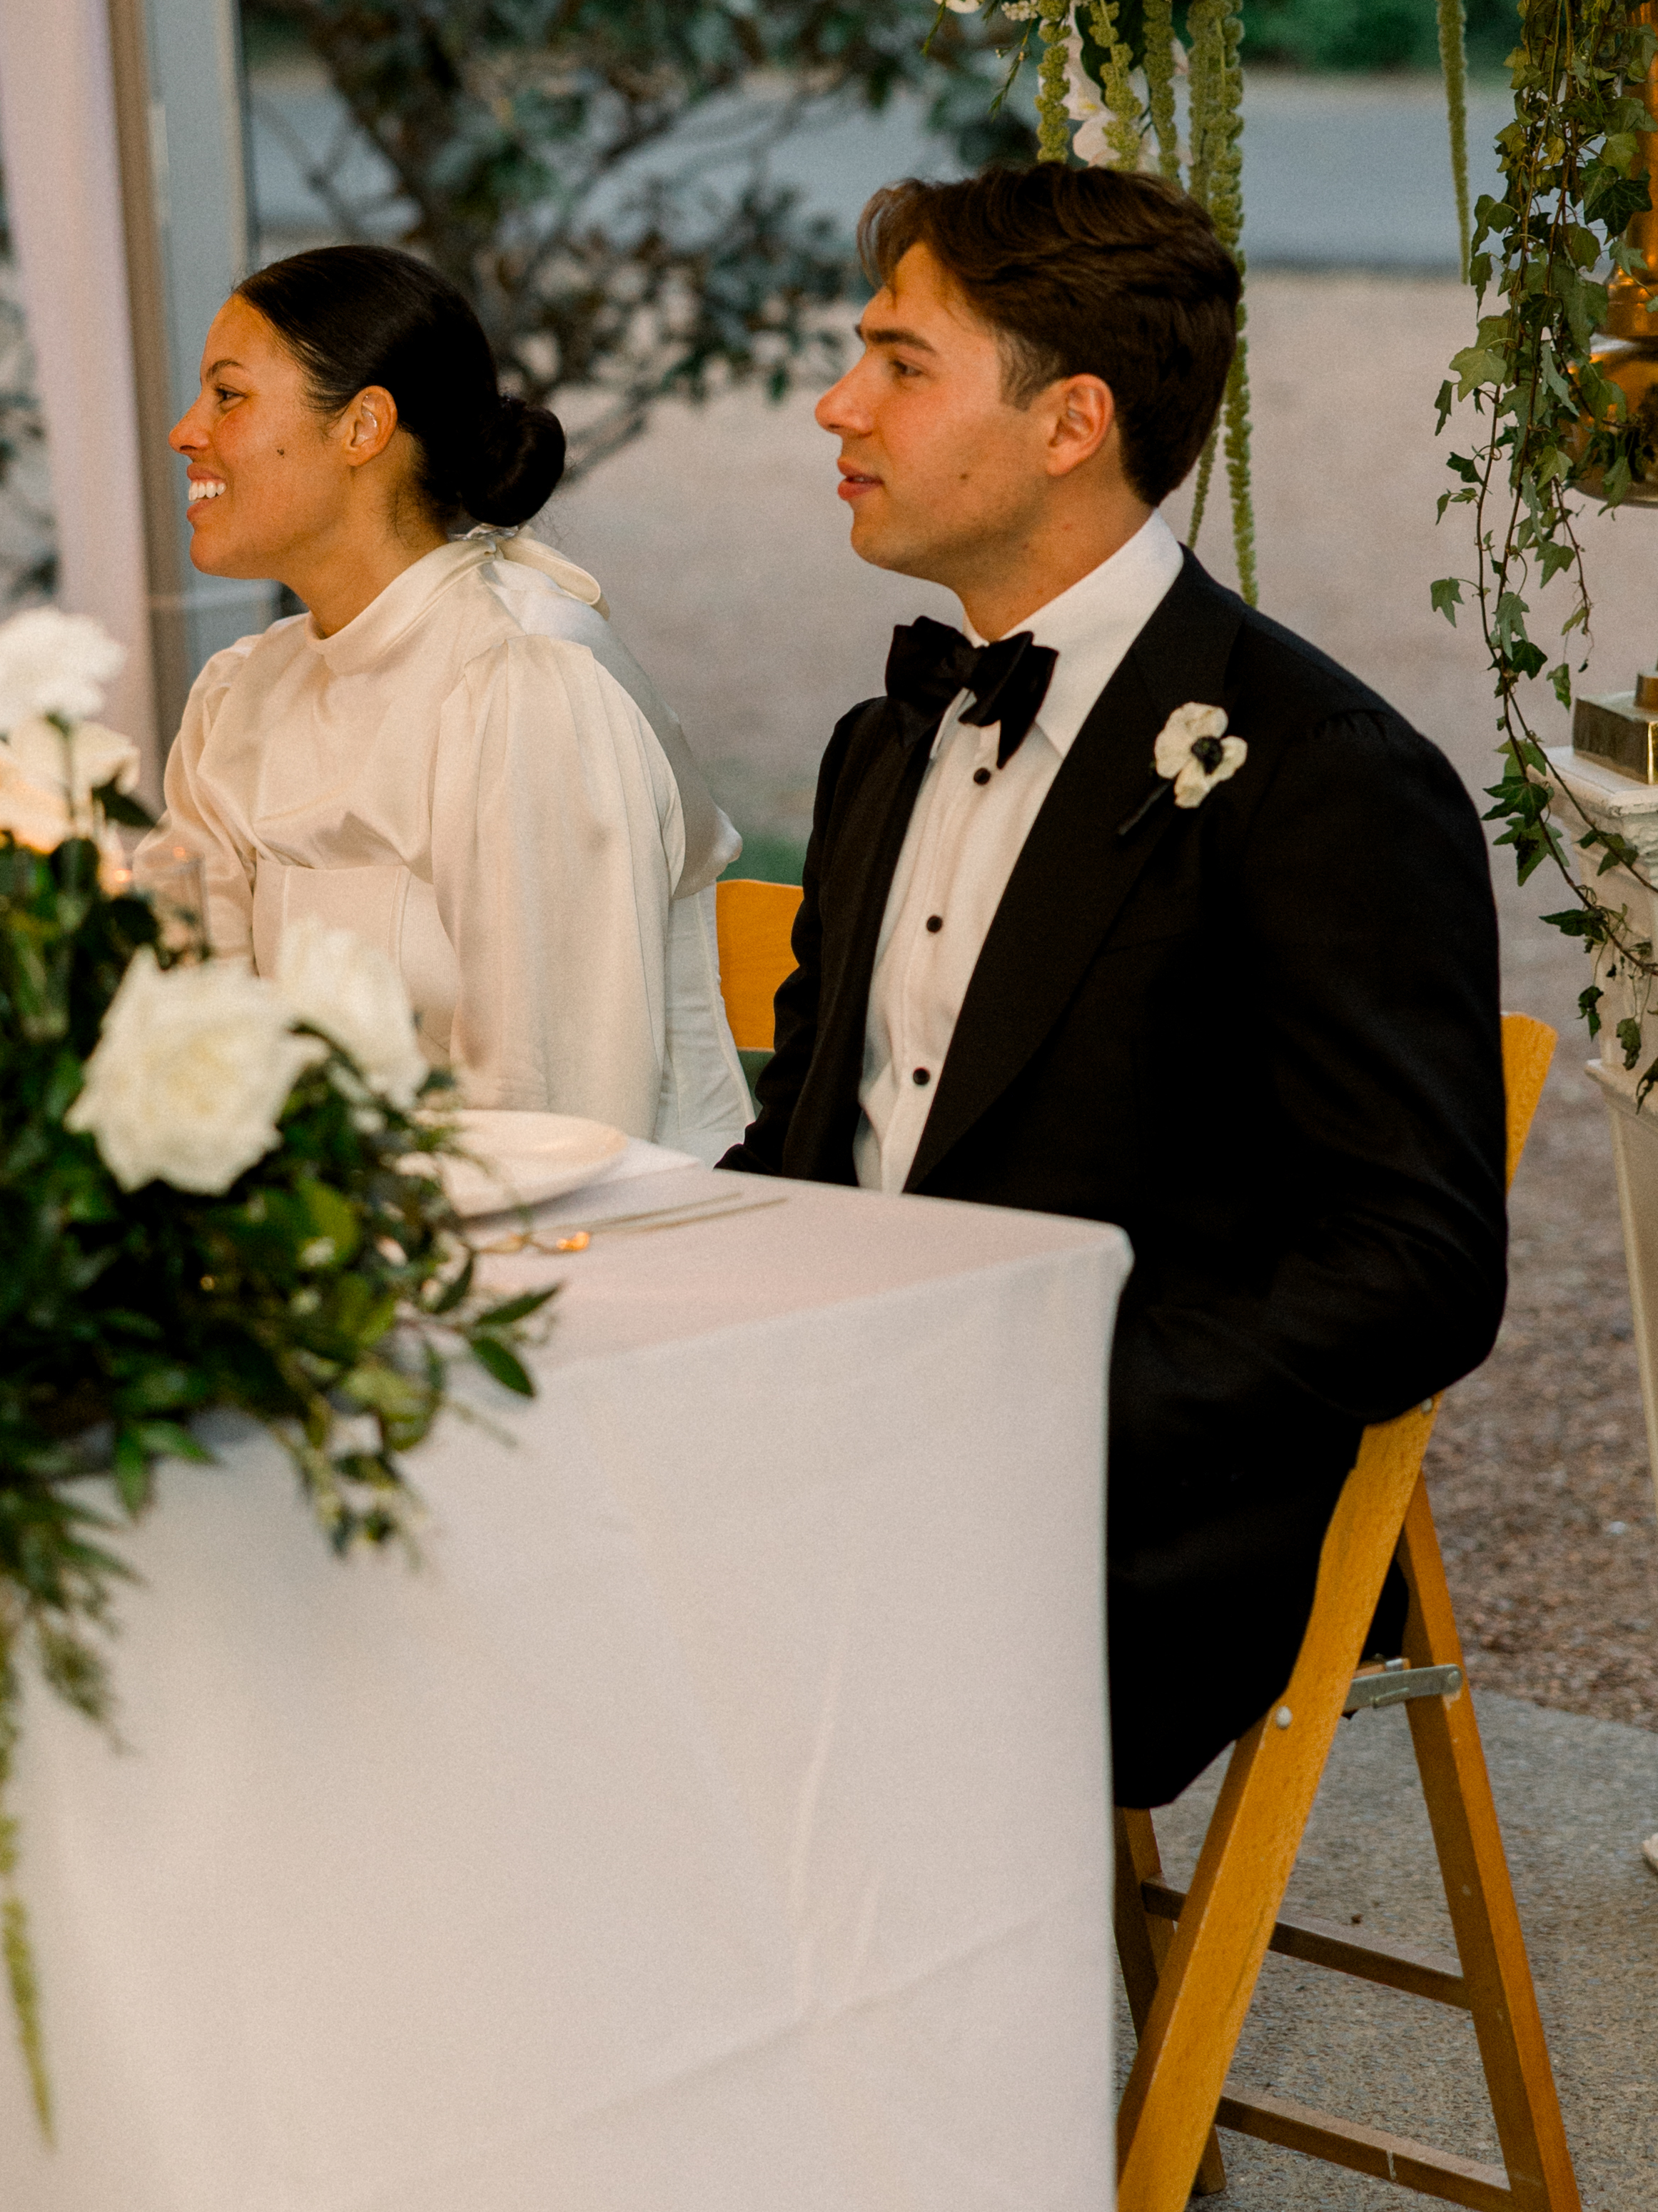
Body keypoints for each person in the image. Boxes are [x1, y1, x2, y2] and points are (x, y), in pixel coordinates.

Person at [726, 163, 1508, 1804]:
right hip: (836, 1452)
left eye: (898, 361)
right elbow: (803, 1139)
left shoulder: (1321, 771)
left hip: (1116, 1522)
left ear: (1069, 420)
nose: (833, 402)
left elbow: (1416, 1261)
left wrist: (1031, 1409)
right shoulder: (884, 743)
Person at [161, 244, 748, 1161]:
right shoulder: (241, 693)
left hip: (581, 1244)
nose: (185, 432)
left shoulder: (525, 681)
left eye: (228, 396)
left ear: (362, 427)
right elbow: (190, 1021)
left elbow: (553, 1107)